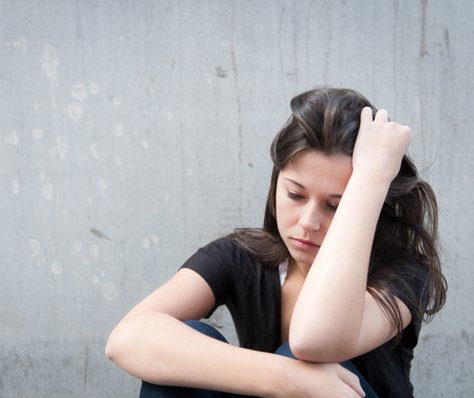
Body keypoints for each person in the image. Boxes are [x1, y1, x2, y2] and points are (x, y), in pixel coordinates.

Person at [105, 86, 447, 398]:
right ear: (276, 184)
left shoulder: (403, 274)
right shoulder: (240, 257)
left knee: (298, 353)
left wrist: (373, 175)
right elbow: (127, 338)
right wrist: (286, 378)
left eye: (336, 206)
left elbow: (313, 340)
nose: (308, 222)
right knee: (183, 345)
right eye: (295, 194)